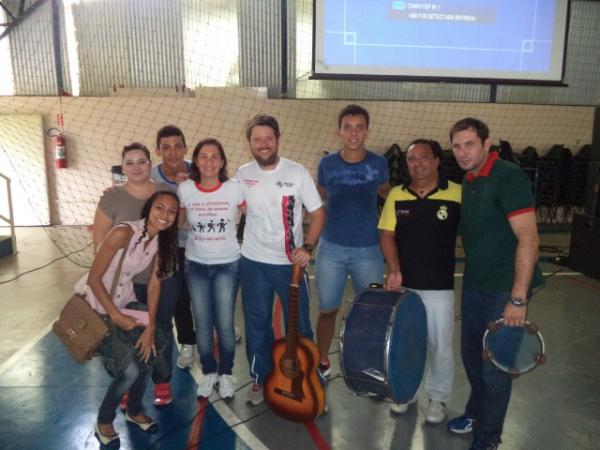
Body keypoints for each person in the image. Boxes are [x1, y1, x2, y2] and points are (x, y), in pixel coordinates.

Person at [447, 118, 543, 450]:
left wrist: (517, 298)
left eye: (470, 144)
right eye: (457, 146)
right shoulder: (470, 178)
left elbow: (529, 239)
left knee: (495, 366)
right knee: (472, 357)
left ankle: (488, 437)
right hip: (476, 282)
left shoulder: (508, 177)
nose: (463, 152)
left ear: (487, 144)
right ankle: (476, 413)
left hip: (505, 287)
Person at [76, 191, 179, 448]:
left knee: (149, 350)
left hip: (125, 302)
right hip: (98, 308)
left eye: (172, 211)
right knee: (129, 370)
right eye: (159, 207)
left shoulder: (161, 241)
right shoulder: (123, 232)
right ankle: (104, 420)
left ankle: (133, 410)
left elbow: (154, 285)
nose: (165, 215)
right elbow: (93, 279)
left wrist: (150, 326)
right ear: (148, 208)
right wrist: (116, 316)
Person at [235, 114, 325, 405]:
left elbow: (318, 213)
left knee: (300, 326)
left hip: (290, 266)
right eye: (257, 139)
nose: (263, 144)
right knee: (256, 324)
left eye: (268, 138)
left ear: (277, 139)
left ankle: (308, 376)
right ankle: (260, 378)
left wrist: (307, 246)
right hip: (253, 263)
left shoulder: (297, 172)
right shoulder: (242, 174)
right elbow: (230, 201)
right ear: (249, 142)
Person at [378, 139, 461, 423]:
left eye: (424, 157)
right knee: (407, 343)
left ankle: (438, 397)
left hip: (440, 286)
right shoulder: (396, 195)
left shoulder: (458, 194)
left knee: (440, 345)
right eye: (412, 159)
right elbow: (387, 236)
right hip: (405, 287)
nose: (417, 163)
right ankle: (406, 391)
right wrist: (394, 269)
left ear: (437, 160)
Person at [93, 142, 175, 406]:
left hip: (158, 278)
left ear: (150, 164)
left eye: (142, 161)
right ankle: (126, 383)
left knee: (159, 327)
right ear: (123, 167)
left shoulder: (166, 192)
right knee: (122, 331)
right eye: (130, 162)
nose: (136, 167)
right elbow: (99, 241)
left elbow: (176, 225)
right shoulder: (112, 197)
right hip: (125, 283)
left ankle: (162, 380)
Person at [315, 104, 390, 378]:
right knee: (327, 310)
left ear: (367, 131)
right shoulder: (327, 164)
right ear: (339, 131)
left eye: (359, 127)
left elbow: (388, 195)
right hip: (330, 250)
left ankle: (367, 365)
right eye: (348, 127)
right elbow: (319, 197)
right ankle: (322, 360)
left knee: (371, 312)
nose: (354, 133)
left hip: (368, 250)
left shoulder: (378, 163)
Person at [178, 138, 244, 399]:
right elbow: (180, 222)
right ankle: (209, 372)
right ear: (195, 160)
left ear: (223, 161)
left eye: (215, 156)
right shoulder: (185, 189)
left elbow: (256, 214)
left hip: (227, 264)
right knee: (203, 323)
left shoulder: (234, 188)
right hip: (196, 265)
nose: (209, 162)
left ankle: (226, 372)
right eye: (203, 156)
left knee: (225, 324)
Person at [150, 125, 197, 371]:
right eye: (166, 148)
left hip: (202, 243)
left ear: (185, 148)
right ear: (158, 151)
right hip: (169, 246)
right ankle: (187, 342)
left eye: (178, 147)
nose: (172, 153)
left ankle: (224, 326)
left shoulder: (199, 170)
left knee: (209, 293)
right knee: (179, 297)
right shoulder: (151, 178)